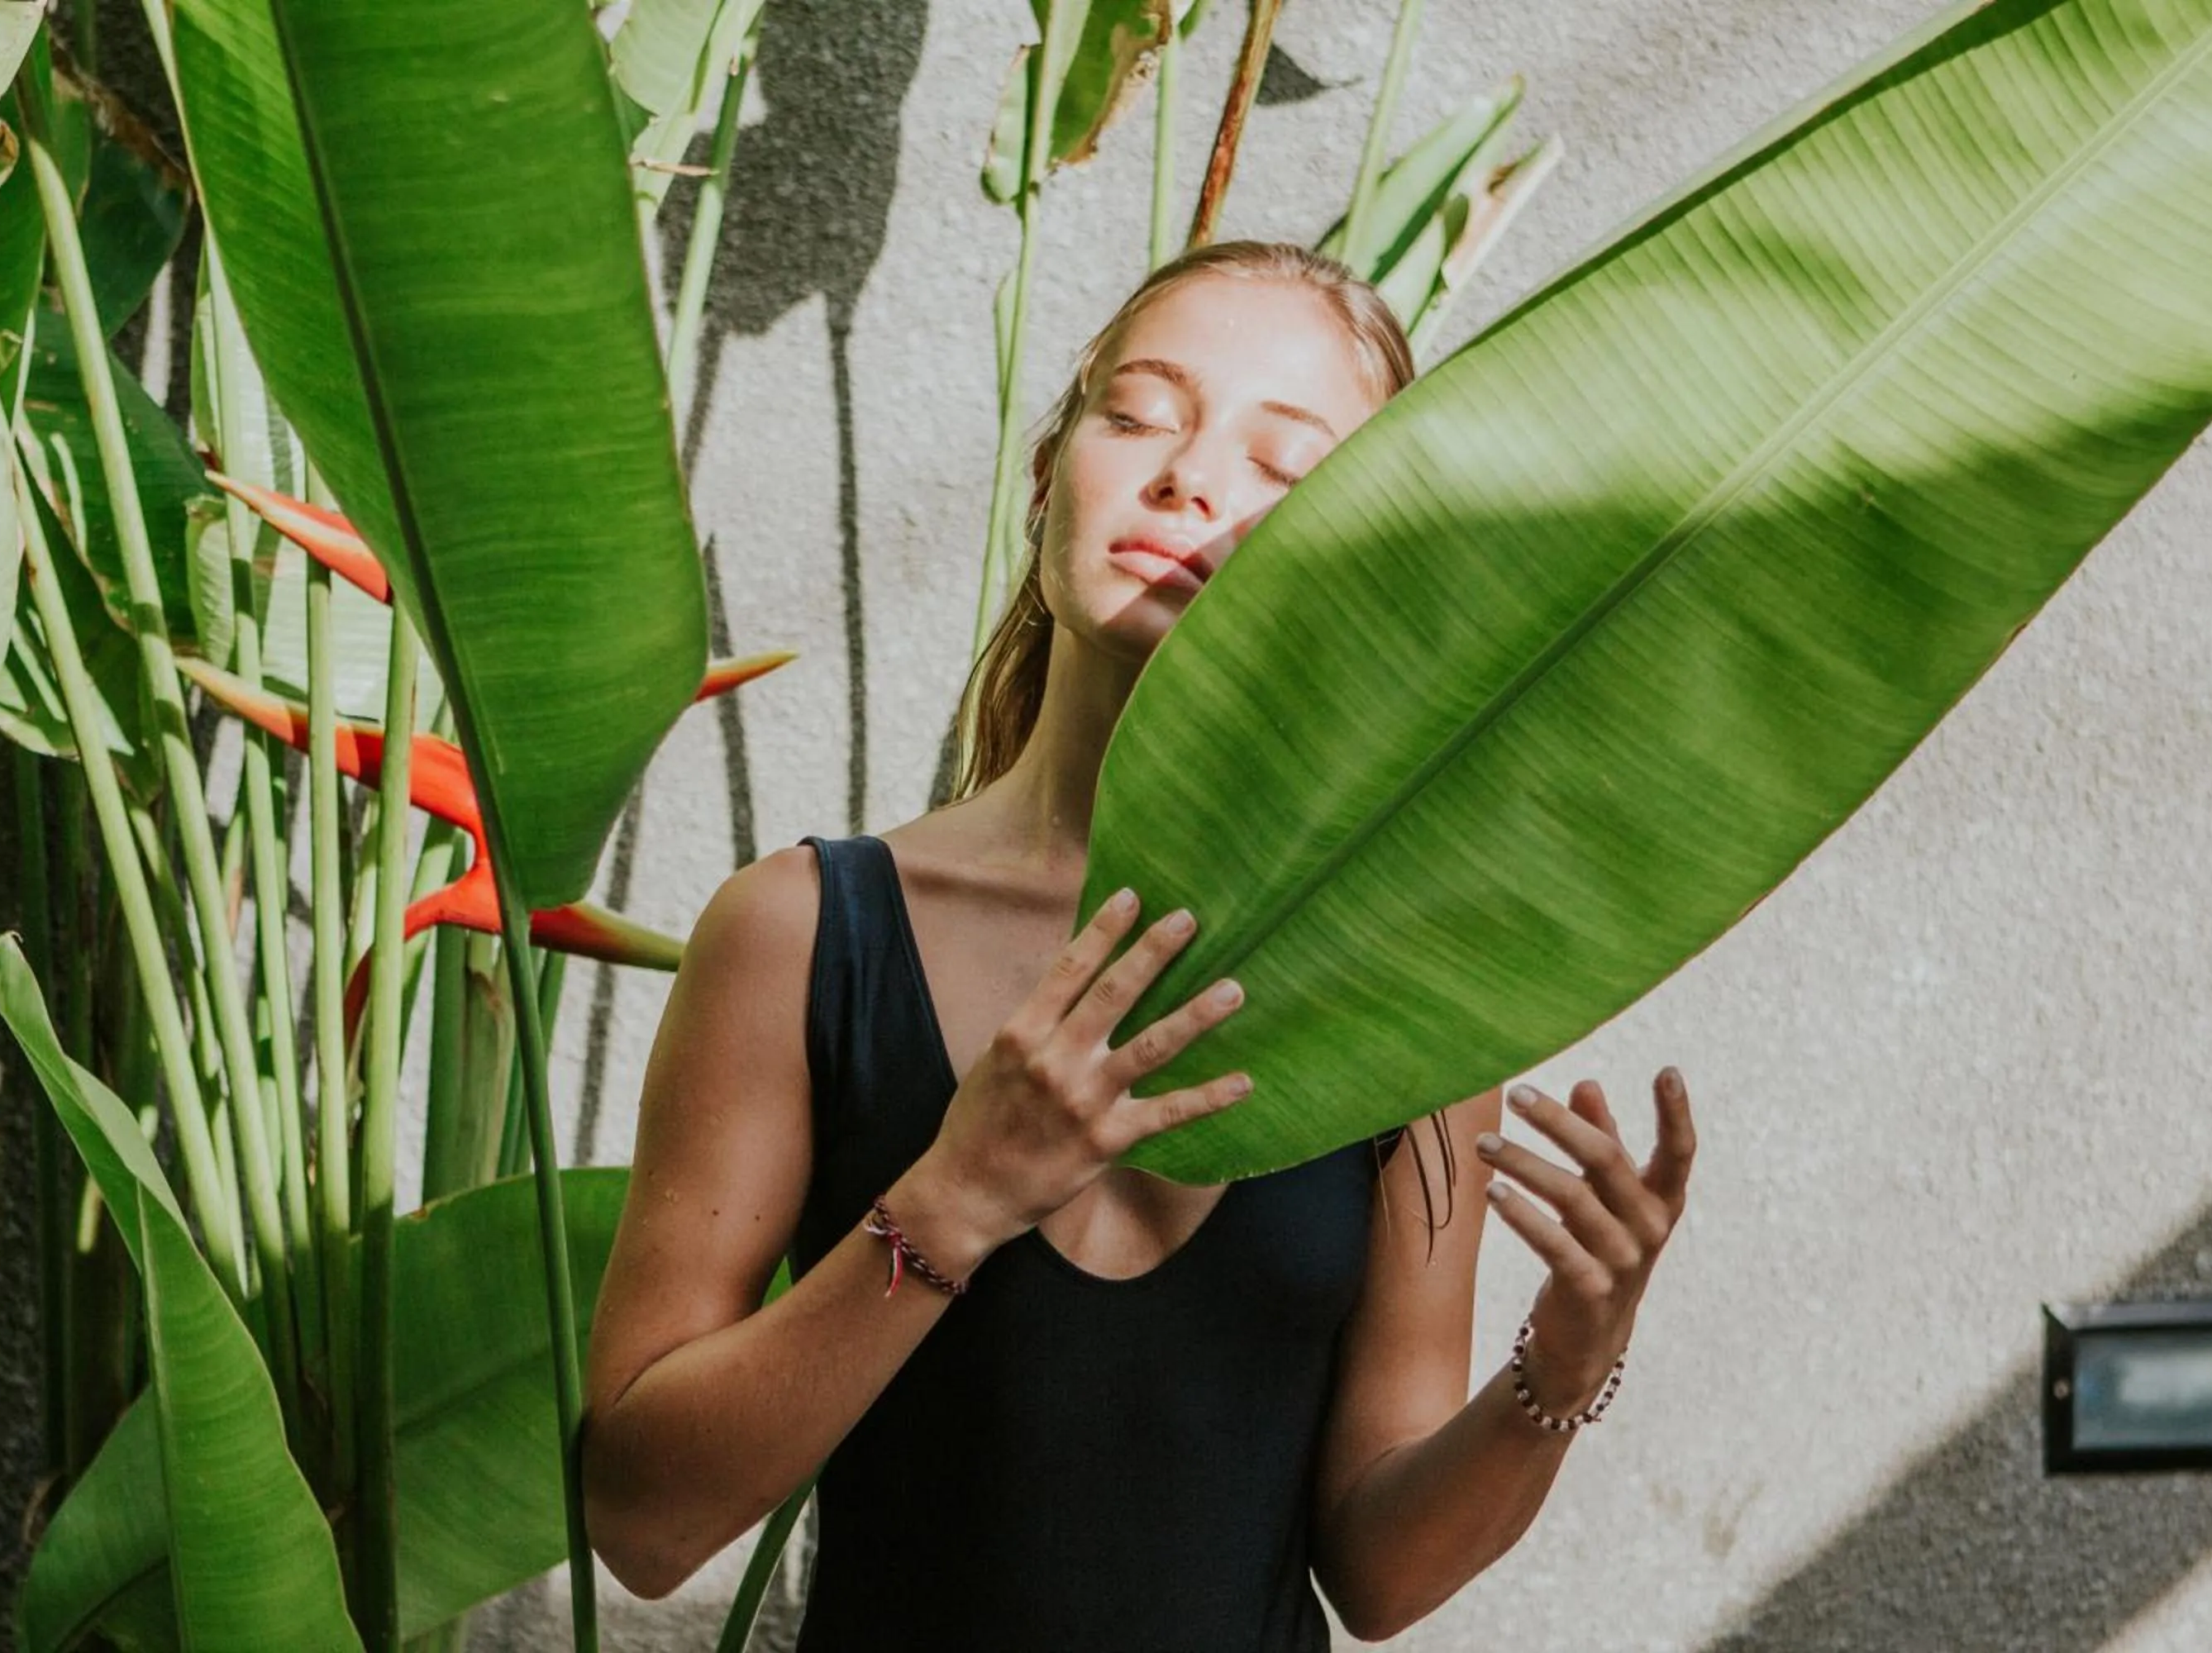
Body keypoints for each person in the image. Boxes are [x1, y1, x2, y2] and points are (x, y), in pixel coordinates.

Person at [579, 239, 1699, 1649]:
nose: (1188, 476)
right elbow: (644, 1520)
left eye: (1284, 465)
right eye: (1142, 415)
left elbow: (1383, 1574)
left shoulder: (1406, 1002)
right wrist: (957, 1199)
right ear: (1051, 480)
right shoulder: (801, 935)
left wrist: (1566, 1363)